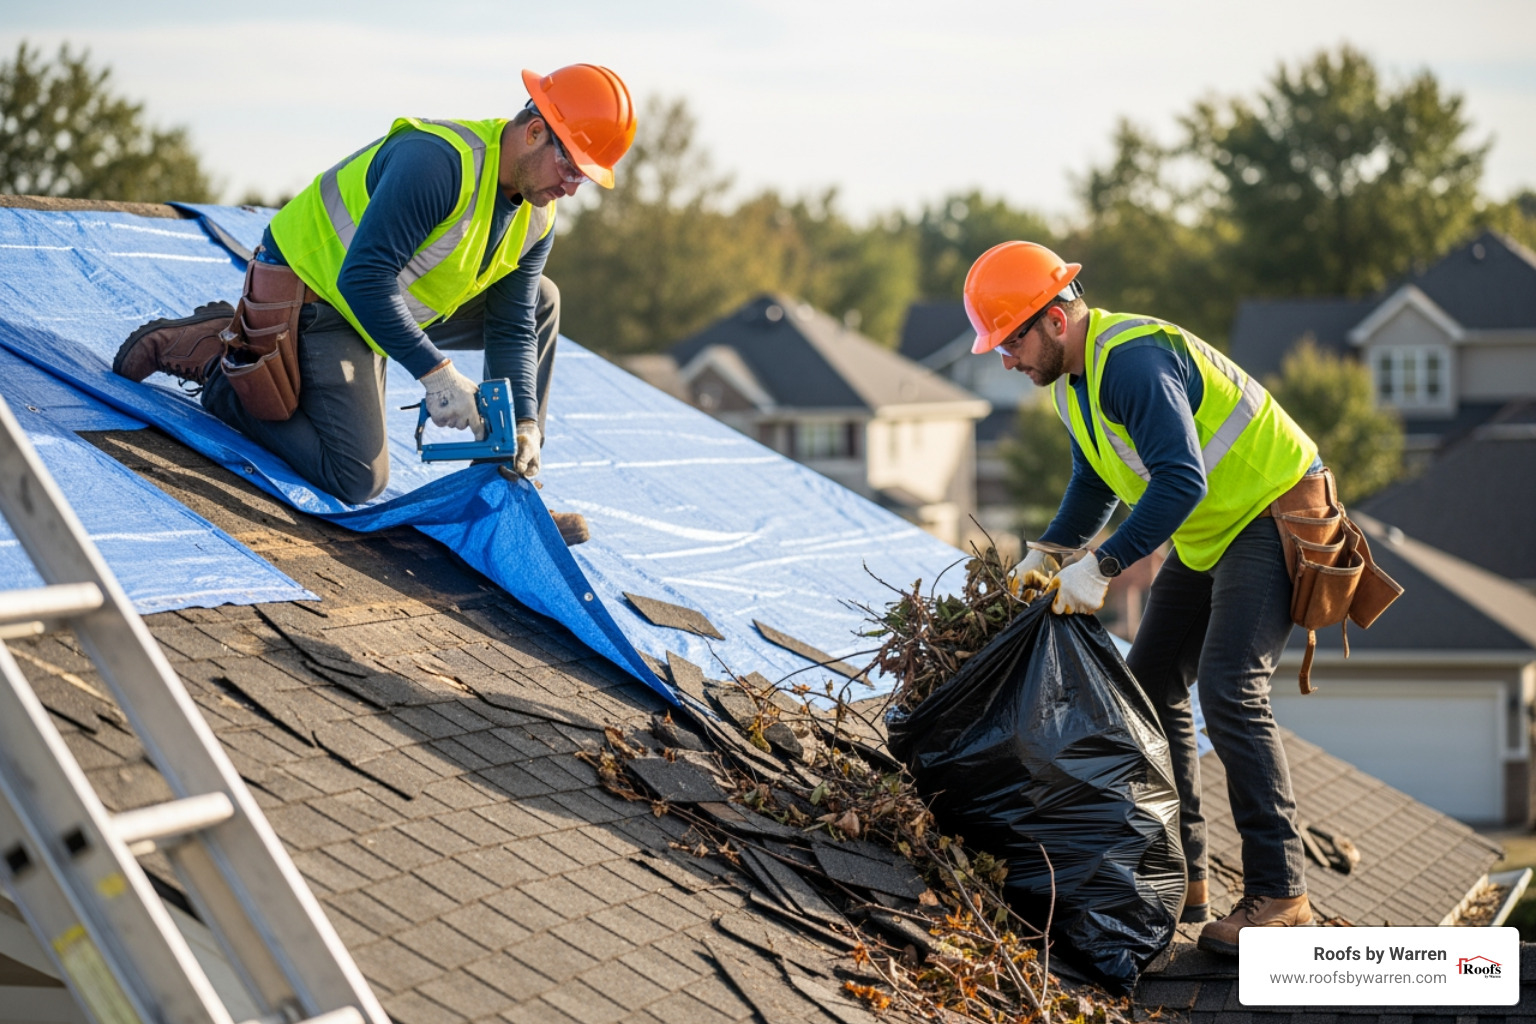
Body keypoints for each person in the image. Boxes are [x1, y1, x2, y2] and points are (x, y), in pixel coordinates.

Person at [965, 240, 1322, 955]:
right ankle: (1187, 876)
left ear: (1056, 320)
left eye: (1011, 342)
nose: (1006, 360)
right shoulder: (1072, 383)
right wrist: (1049, 551)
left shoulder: (1130, 360)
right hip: (1212, 531)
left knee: (1230, 689)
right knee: (1150, 683)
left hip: (1272, 514)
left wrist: (1103, 566)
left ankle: (1282, 894)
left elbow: (1181, 480)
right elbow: (1098, 481)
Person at [114, 64, 635, 518]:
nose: (572, 187)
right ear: (535, 132)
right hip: (318, 291)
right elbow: (361, 280)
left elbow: (516, 323)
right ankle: (218, 367)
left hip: (381, 302)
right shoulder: (438, 163)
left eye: (584, 178)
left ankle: (499, 481)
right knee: (357, 476)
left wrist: (523, 422)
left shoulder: (539, 215)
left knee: (542, 299)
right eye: (570, 167)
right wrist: (439, 375)